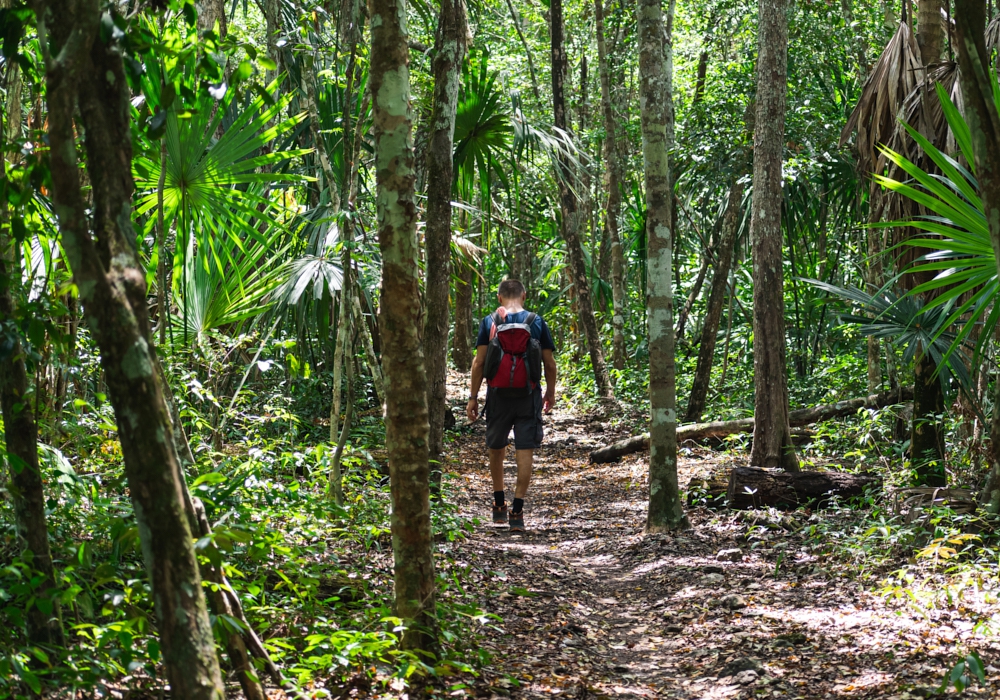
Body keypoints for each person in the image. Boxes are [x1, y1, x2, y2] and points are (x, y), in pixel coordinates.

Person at [467, 279, 557, 532]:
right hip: (528, 396)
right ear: (524, 295)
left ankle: (498, 507)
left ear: (499, 298)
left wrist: (473, 397)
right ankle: (517, 511)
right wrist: (549, 392)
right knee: (524, 449)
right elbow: (549, 363)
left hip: (497, 395)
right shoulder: (536, 321)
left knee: (496, 447)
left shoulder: (490, 321)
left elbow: (479, 362)